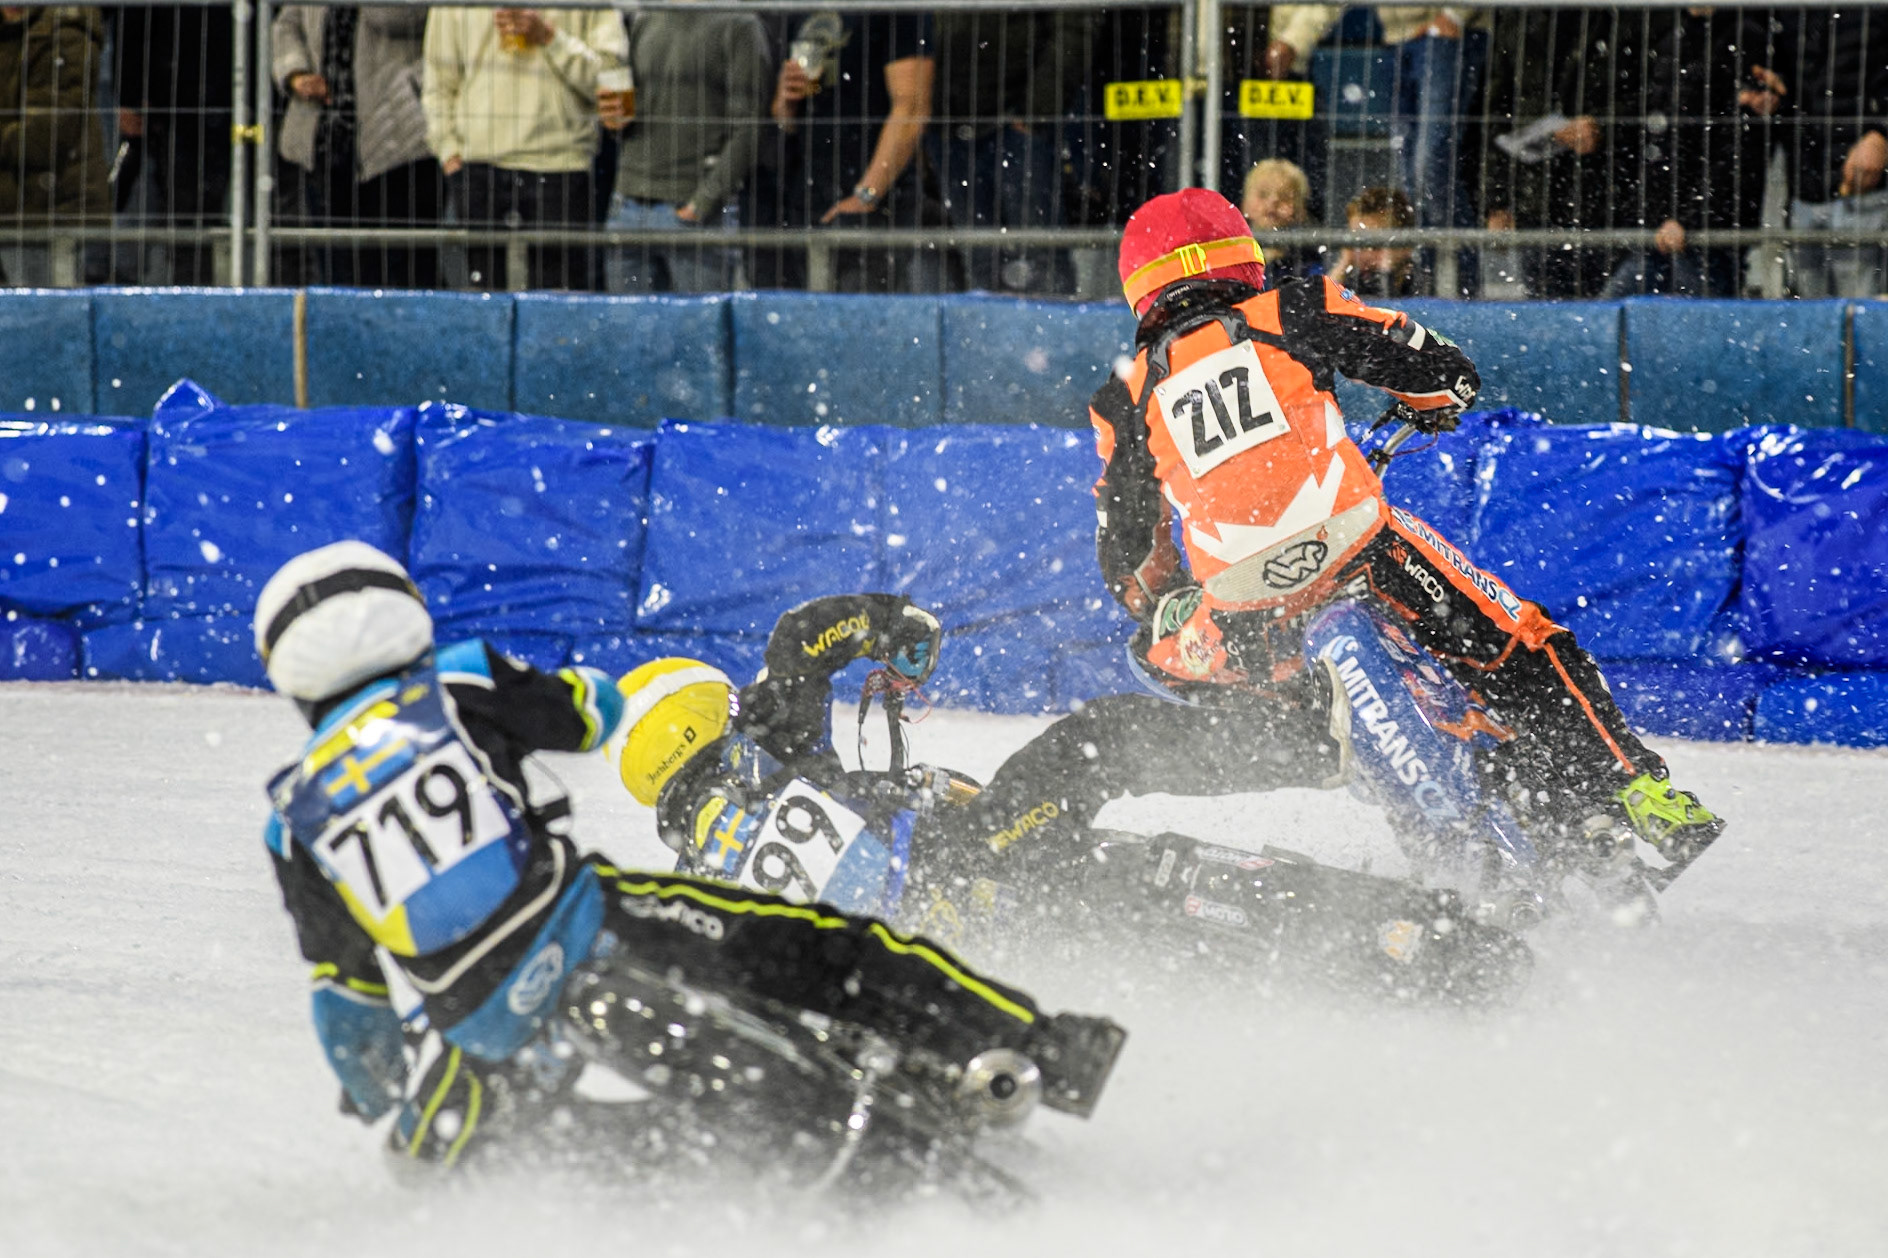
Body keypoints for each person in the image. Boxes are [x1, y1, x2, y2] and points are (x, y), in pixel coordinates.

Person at [253, 542, 1122, 1168]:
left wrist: (375, 1093)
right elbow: (588, 713)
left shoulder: (293, 816)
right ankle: (1049, 1047)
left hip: (481, 1017)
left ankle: (674, 1172)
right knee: (840, 956)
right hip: (599, 924)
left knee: (495, 1142)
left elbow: (350, 1002)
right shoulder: (456, 685)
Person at [1087, 187, 1722, 874]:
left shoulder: (1121, 398)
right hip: (1356, 545)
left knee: (1154, 654)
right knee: (1519, 644)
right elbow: (1439, 369)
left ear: (1139, 287)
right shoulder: (1294, 306)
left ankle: (1327, 745)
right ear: (1243, 257)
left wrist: (1158, 603)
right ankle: (1634, 787)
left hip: (1243, 611)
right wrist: (1435, 397)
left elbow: (1127, 546)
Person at [1267, 5, 1486, 296]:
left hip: (1443, 34)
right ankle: (1436, 290)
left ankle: (1467, 283)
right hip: (1398, 36)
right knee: (1413, 175)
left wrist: (1454, 14)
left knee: (1430, 168)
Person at [421, 6, 627, 290]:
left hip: (560, 163)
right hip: (477, 165)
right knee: (485, 302)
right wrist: (448, 152)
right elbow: (438, 79)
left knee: (558, 308)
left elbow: (611, 81)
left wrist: (550, 37)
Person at [759, 8, 947, 292]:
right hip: (808, 195)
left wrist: (868, 193)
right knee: (805, 320)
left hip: (875, 201)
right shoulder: (801, 9)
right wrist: (786, 101)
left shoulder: (899, 9)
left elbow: (912, 107)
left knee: (869, 317)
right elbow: (785, 119)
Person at [599, 3, 769, 293]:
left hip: (692, 210)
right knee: (629, 334)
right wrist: (613, 118)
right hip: (629, 203)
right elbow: (633, 108)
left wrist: (703, 201)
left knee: (697, 333)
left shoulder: (740, 24)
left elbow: (749, 127)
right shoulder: (645, 17)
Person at [274, 5, 445, 288]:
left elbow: (399, 16)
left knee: (405, 270)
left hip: (399, 142)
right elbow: (287, 23)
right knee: (336, 271)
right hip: (324, 144)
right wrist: (295, 73)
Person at [1769, 9, 1888, 298]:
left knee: (1861, 310)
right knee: (1811, 314)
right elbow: (1782, 82)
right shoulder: (1788, 15)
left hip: (1863, 189)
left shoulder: (1873, 12)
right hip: (1805, 184)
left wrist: (1881, 134)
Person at [116, 3, 233, 284]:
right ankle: (190, 295)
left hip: (231, 103)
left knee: (217, 211)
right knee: (182, 214)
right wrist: (130, 95)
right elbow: (133, 24)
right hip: (172, 107)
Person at [0, 6, 108, 285]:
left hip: (56, 211)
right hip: (14, 209)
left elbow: (46, 135)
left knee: (42, 319)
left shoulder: (66, 29)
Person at [1241, 158, 1325, 288]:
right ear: (1245, 204)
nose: (1274, 201)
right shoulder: (1235, 253)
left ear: (1300, 211)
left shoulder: (1307, 261)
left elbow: (1320, 292)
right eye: (1263, 195)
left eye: (1285, 197)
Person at [1334, 185, 1417, 298]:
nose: (1365, 255)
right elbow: (1324, 303)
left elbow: (1390, 306)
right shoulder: (1356, 280)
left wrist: (1385, 269)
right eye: (1357, 244)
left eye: (1376, 246)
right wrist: (1343, 265)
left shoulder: (1421, 283)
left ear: (1406, 246)